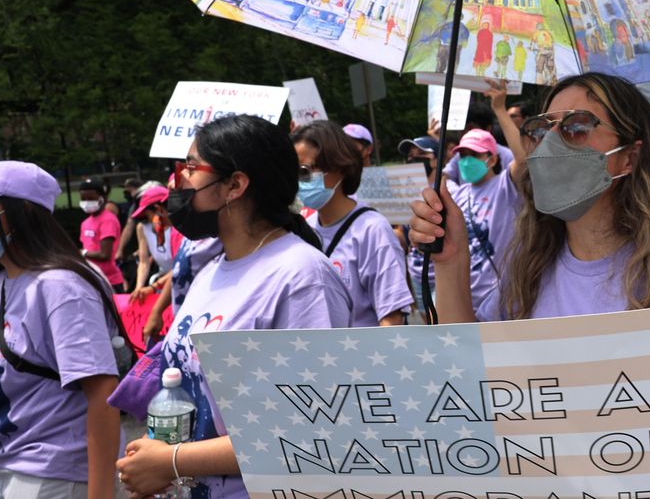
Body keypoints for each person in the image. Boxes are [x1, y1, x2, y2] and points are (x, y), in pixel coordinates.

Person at [408, 71, 650, 496]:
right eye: (540, 129)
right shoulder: (528, 268)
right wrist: (451, 262)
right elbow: (473, 381)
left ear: (629, 157)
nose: (550, 144)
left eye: (575, 127)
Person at [117, 115, 351, 498]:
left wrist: (173, 461)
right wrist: (156, 452)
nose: (177, 181)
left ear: (235, 185)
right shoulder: (211, 271)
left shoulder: (302, 277)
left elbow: (310, 429)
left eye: (190, 167)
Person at [0, 161, 125, 498]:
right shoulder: (3, 282)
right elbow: (21, 380)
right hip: (9, 469)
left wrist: (100, 495)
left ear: (20, 212)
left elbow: (102, 394)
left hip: (57, 479)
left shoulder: (61, 287)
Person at [294, 120, 413, 326]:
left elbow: (391, 320)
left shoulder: (372, 230)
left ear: (339, 166)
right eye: (295, 172)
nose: (299, 181)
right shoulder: (305, 228)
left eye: (305, 171)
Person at [407, 124, 523, 315]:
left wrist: (499, 109)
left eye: (474, 155)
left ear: (492, 159)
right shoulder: (457, 195)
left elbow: (524, 161)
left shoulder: (506, 186)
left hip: (503, 302)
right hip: (465, 299)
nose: (466, 161)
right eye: (462, 155)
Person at [441, 100, 516, 183]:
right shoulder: (462, 193)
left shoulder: (508, 156)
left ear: (492, 160)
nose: (466, 163)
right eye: (464, 155)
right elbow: (445, 177)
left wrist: (499, 108)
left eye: (476, 155)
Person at [128, 184, 179, 295]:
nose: (147, 219)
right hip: (161, 280)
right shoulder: (143, 227)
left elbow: (180, 266)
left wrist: (154, 287)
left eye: (147, 214)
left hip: (178, 279)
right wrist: (139, 287)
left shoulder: (177, 228)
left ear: (159, 209)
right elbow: (144, 261)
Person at [79, 177, 125, 292]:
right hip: (93, 279)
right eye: (83, 199)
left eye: (91, 198)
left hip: (109, 281)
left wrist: (82, 253)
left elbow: (105, 255)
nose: (86, 202)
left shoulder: (108, 220)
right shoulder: (85, 223)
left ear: (102, 198)